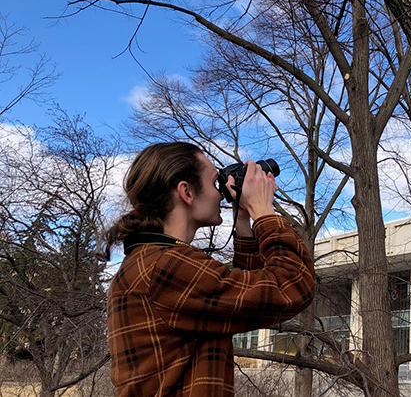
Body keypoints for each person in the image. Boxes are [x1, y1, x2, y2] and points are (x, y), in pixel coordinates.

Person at [100, 142, 315, 397]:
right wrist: (264, 212)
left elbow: (249, 299)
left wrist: (243, 219)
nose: (221, 193)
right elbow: (292, 287)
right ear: (186, 192)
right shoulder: (165, 265)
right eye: (215, 183)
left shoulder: (151, 260)